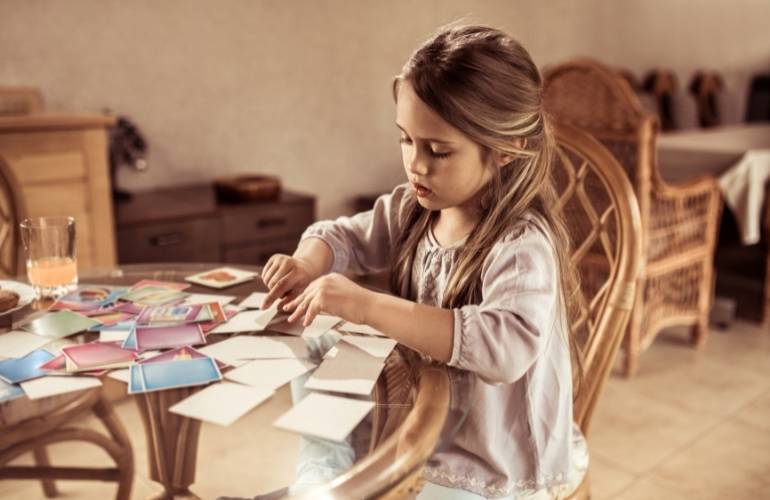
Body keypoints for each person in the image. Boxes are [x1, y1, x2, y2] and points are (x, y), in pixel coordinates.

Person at [260, 24, 587, 500]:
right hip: (422, 426)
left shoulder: (521, 245)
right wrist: (307, 262)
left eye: (438, 151)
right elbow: (341, 235)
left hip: (495, 462)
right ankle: (322, 475)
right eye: (406, 140)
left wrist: (367, 306)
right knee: (315, 339)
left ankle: (338, 483)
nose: (416, 164)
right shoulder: (412, 208)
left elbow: (505, 350)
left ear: (504, 151)